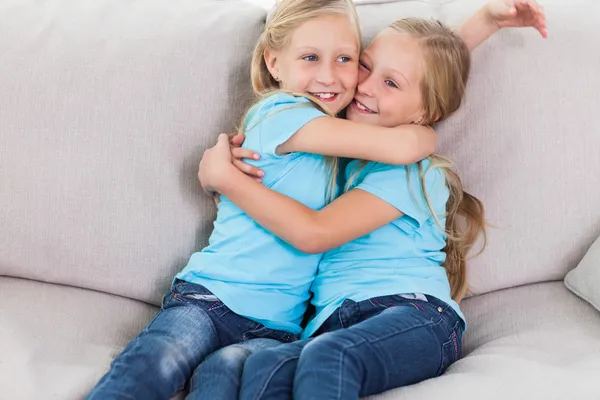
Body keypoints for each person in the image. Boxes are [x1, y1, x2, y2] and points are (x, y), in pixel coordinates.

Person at [86, 1, 439, 399]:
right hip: (213, 299)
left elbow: (425, 67)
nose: (329, 75)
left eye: (345, 58)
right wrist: (428, 130)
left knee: (223, 379)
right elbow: (406, 138)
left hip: (279, 327)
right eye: (310, 57)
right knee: (153, 364)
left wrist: (486, 23)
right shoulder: (282, 113)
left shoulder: (340, 138)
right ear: (273, 62)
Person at [197, 2, 546, 399]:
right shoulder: (332, 151)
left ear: (427, 113)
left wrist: (226, 180)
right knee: (262, 364)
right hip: (334, 325)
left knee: (330, 356)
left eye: (389, 84)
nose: (364, 86)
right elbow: (420, 70)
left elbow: (316, 232)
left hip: (414, 316)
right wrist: (484, 21)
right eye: (363, 66)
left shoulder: (412, 171)